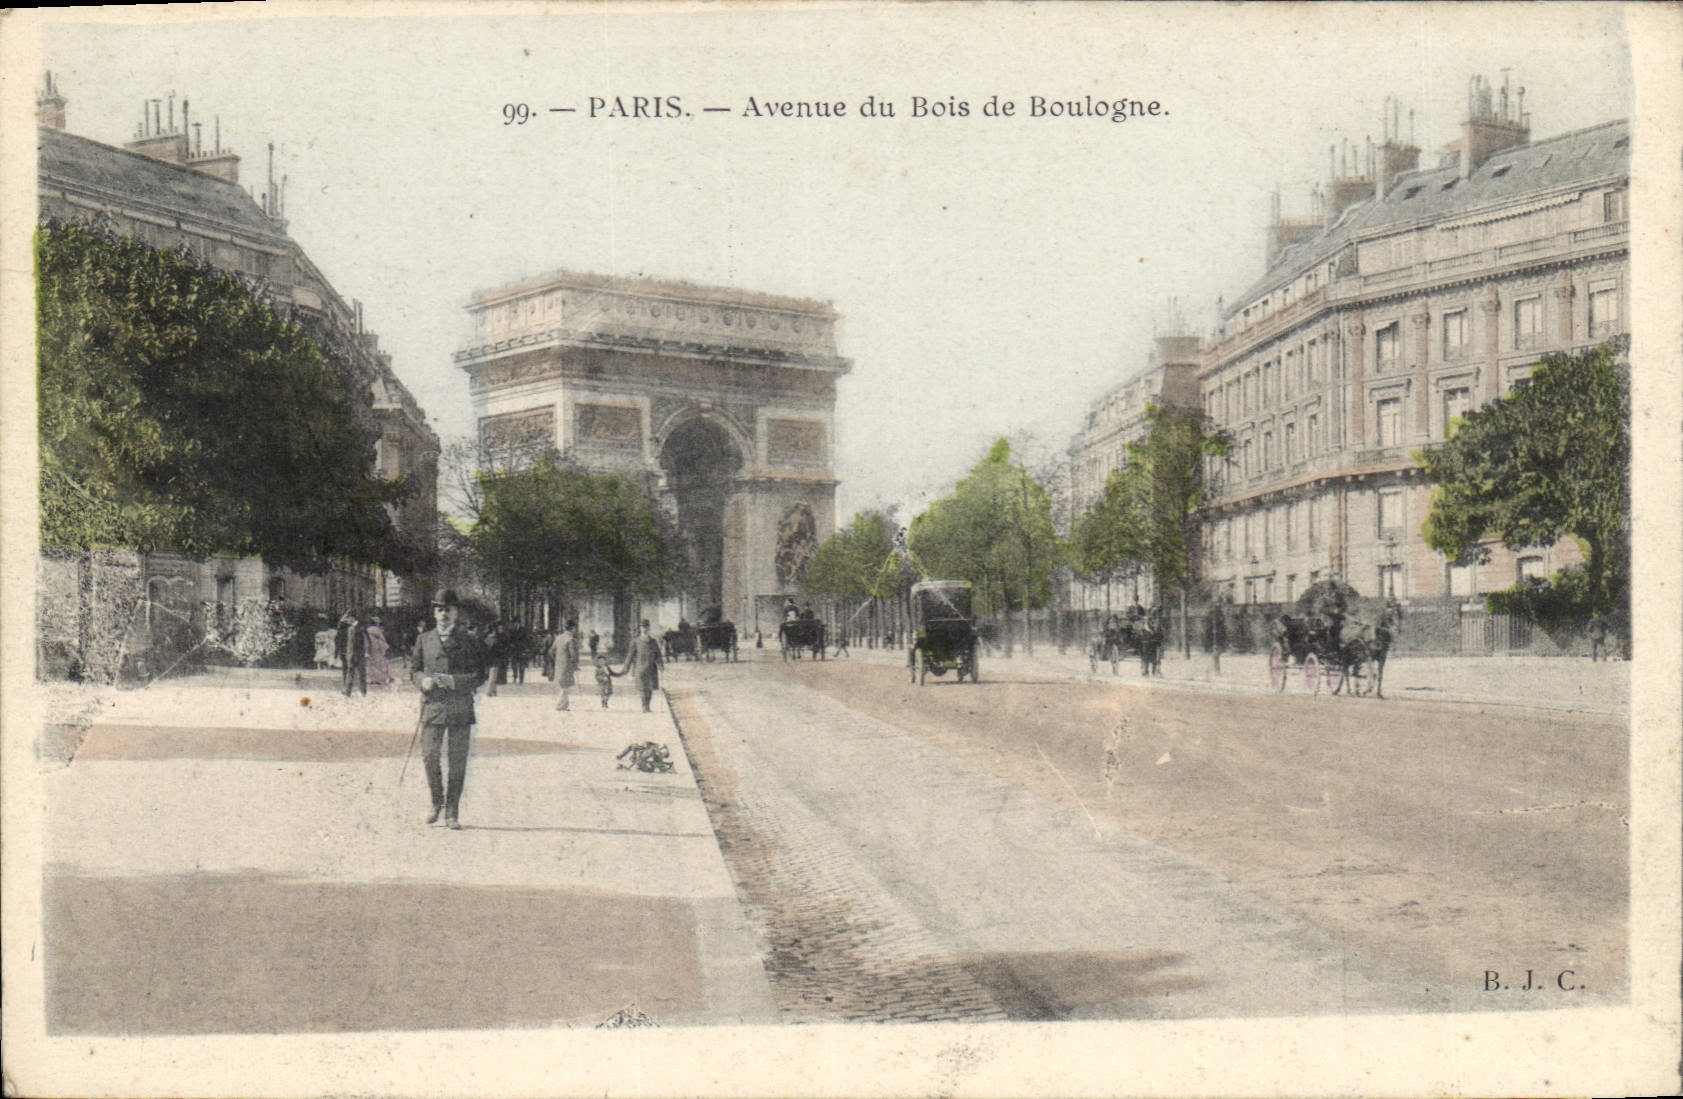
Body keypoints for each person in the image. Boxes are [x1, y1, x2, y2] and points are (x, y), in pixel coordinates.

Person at [410, 590, 488, 829]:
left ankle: (452, 810)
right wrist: (422, 681)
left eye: (448, 609)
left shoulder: (470, 640)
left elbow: (480, 675)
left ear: (456, 612)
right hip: (432, 707)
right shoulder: (424, 639)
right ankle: (436, 802)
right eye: (439, 609)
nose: (444, 614)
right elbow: (414, 669)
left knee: (457, 761)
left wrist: (457, 682)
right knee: (430, 756)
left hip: (459, 707)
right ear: (434, 613)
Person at [624, 619, 665, 713]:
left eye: (646, 627)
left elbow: (658, 655)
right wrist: (627, 667)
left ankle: (647, 706)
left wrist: (661, 665)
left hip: (651, 668)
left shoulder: (653, 641)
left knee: (650, 689)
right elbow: (630, 655)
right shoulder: (636, 641)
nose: (644, 629)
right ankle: (644, 706)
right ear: (640, 628)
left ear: (649, 628)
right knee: (642, 688)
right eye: (643, 627)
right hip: (640, 668)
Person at [553, 617, 580, 711]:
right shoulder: (570, 640)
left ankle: (564, 705)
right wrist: (575, 664)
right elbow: (573, 654)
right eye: (575, 628)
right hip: (567, 666)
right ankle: (560, 705)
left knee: (562, 685)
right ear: (572, 628)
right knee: (565, 686)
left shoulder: (558, 638)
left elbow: (552, 651)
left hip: (559, 665)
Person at [341, 611, 366, 696]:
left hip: (358, 654)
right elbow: (341, 622)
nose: (347, 620)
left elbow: (361, 641)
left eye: (349, 618)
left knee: (361, 673)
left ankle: (363, 692)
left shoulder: (360, 627)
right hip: (351, 653)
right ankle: (348, 691)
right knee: (350, 673)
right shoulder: (350, 627)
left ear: (353, 618)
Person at [364, 614, 392, 686]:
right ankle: (381, 679)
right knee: (379, 664)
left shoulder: (367, 630)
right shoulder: (378, 630)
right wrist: (386, 647)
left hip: (370, 648)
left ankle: (370, 679)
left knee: (371, 664)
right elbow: (383, 640)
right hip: (377, 648)